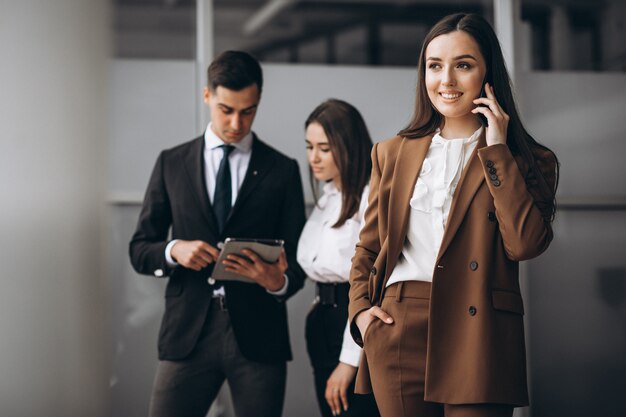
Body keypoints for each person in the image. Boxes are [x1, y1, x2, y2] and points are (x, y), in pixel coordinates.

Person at [347, 13, 559, 417]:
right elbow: (368, 247)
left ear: (487, 74)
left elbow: (525, 243)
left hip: (478, 330)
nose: (446, 80)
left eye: (463, 65)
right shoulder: (391, 153)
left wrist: (496, 151)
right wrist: (360, 313)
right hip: (397, 324)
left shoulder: (529, 160)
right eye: (434, 66)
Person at [129, 50, 306, 417]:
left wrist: (277, 282)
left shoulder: (282, 170)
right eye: (227, 109)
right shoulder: (171, 163)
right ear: (207, 96)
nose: (237, 123)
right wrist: (174, 249)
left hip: (258, 336)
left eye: (248, 110)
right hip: (187, 333)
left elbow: (299, 262)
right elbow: (139, 249)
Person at [297, 99, 380, 417]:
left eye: (324, 148)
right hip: (323, 322)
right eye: (309, 147)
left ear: (347, 147)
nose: (313, 158)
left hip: (353, 327)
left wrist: (349, 361)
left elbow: (373, 286)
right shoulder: (329, 195)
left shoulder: (370, 198)